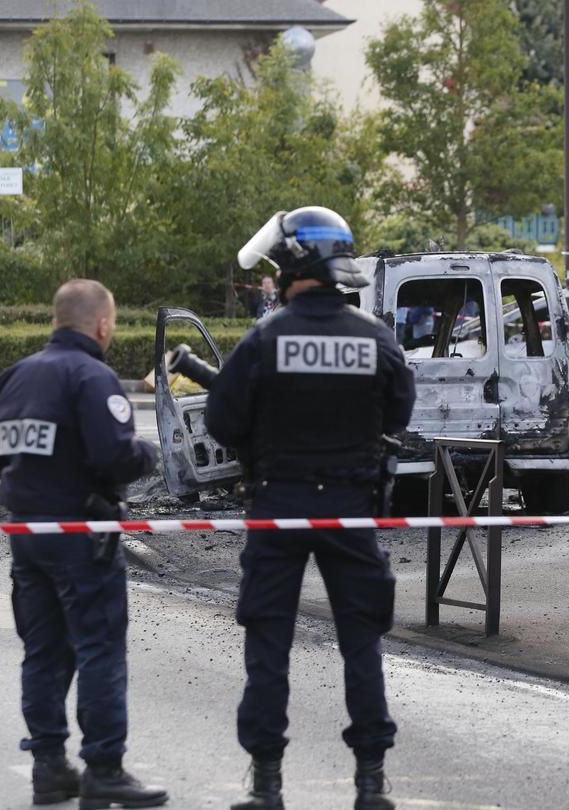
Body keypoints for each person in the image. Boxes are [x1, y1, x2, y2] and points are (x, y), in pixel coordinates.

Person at [205, 207, 416, 810]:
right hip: (351, 508)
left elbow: (221, 421)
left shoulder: (266, 339)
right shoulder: (376, 338)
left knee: (269, 644)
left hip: (278, 507)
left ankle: (267, 787)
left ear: (296, 262)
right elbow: (398, 413)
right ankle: (371, 786)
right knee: (361, 644)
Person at [0, 279, 168, 809]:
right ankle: (104, 769)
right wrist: (148, 453)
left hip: (25, 534)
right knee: (100, 650)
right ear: (101, 325)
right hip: (82, 535)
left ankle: (48, 769)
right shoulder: (92, 375)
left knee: (43, 653)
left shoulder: (15, 375)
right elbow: (115, 456)